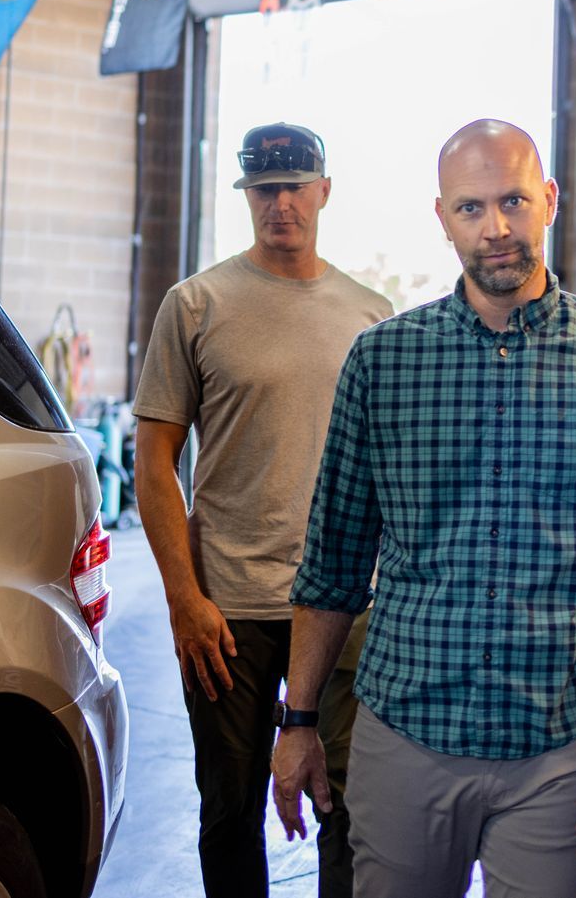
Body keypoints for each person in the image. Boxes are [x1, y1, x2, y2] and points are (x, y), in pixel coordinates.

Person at [269, 118, 576, 898]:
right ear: (441, 217)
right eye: (471, 208)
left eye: (513, 201)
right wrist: (297, 723)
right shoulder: (383, 361)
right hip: (406, 733)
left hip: (562, 745)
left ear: (550, 201)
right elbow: (332, 560)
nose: (496, 228)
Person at [133, 121, 392, 898]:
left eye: (295, 186)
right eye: (265, 189)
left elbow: (392, 473)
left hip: (347, 604)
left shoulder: (371, 314)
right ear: (246, 194)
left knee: (351, 807)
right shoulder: (196, 304)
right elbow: (154, 463)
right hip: (229, 611)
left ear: (324, 191)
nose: (282, 203)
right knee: (228, 811)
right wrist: (185, 600)